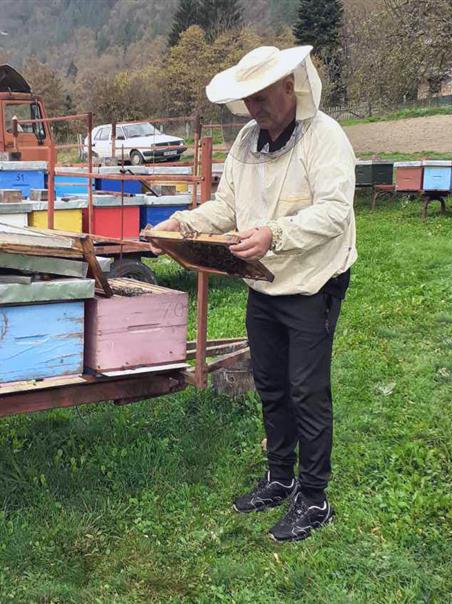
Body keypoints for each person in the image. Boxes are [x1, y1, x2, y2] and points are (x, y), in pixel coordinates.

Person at [151, 46, 357, 542]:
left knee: (307, 389)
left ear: (289, 86)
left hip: (313, 281)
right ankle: (280, 476)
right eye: (247, 100)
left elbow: (334, 212)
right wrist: (183, 222)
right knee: (269, 381)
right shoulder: (246, 140)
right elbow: (227, 206)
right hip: (262, 279)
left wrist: (274, 234)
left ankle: (314, 497)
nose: (253, 109)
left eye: (261, 98)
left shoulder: (325, 139)